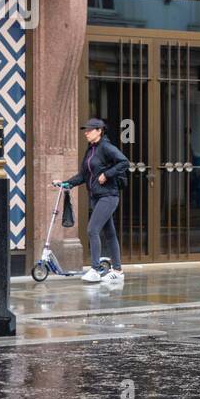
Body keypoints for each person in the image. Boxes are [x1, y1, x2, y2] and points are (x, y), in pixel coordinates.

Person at [59, 117, 130, 285]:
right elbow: (84, 175)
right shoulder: (90, 150)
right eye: (85, 130)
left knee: (92, 229)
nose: (86, 133)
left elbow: (124, 162)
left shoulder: (106, 147)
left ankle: (96, 269)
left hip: (109, 196)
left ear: (99, 131)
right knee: (110, 233)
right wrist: (66, 183)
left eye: (90, 130)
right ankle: (118, 271)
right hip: (97, 197)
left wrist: (107, 174)